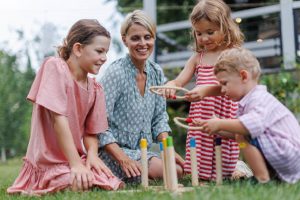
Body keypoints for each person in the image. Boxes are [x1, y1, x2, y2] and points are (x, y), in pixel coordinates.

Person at [7, 19, 123, 196]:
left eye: (106, 52)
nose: (104, 58)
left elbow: (91, 132)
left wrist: (91, 155)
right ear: (78, 49)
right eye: (99, 51)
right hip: (48, 161)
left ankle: (73, 174)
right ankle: (36, 187)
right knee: (81, 183)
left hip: (74, 159)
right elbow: (58, 119)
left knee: (110, 182)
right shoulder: (55, 67)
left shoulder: (95, 88)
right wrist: (76, 164)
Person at [162, 0, 244, 180]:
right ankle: (202, 175)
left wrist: (205, 90)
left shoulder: (231, 54)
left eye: (210, 32)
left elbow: (233, 86)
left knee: (221, 153)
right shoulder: (197, 58)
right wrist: (170, 85)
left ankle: (234, 169)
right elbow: (179, 81)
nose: (204, 38)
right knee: (199, 152)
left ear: (225, 28)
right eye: (199, 33)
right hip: (201, 114)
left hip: (222, 114)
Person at [98, 10, 184, 183]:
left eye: (147, 37)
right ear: (125, 40)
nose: (143, 43)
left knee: (178, 170)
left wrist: (169, 150)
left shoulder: (156, 72)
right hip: (114, 153)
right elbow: (99, 125)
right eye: (135, 38)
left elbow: (159, 119)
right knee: (170, 172)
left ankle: (144, 175)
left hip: (142, 151)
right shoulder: (116, 73)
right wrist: (123, 159)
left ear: (153, 38)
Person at [192, 47, 300, 184]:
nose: (223, 90)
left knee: (242, 135)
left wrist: (219, 123)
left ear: (244, 76)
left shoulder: (258, 99)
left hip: (290, 155)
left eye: (224, 83)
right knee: (241, 135)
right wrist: (215, 128)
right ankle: (270, 177)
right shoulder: (248, 102)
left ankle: (262, 179)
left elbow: (246, 130)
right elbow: (240, 132)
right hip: (285, 154)